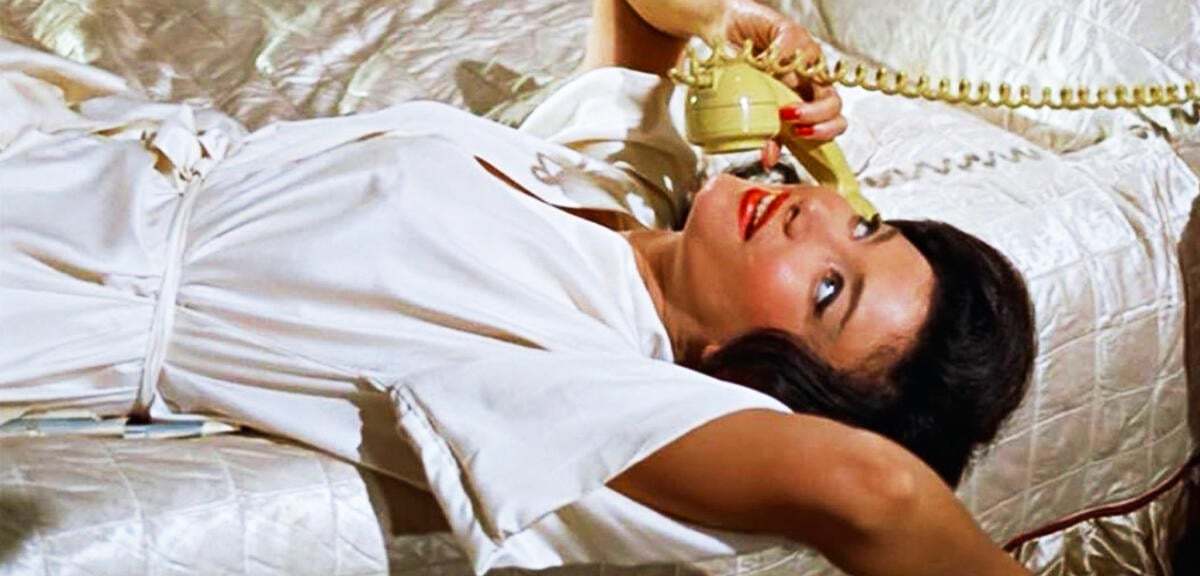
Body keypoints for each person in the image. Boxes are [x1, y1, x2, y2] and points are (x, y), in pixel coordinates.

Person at [0, 0, 1034, 574]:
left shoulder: (580, 378)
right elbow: (636, 7)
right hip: (70, 141)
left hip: (48, 264)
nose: (815, 217)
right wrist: (734, 26)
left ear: (750, 376)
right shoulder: (625, 194)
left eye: (827, 292)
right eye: (865, 224)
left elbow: (872, 492)